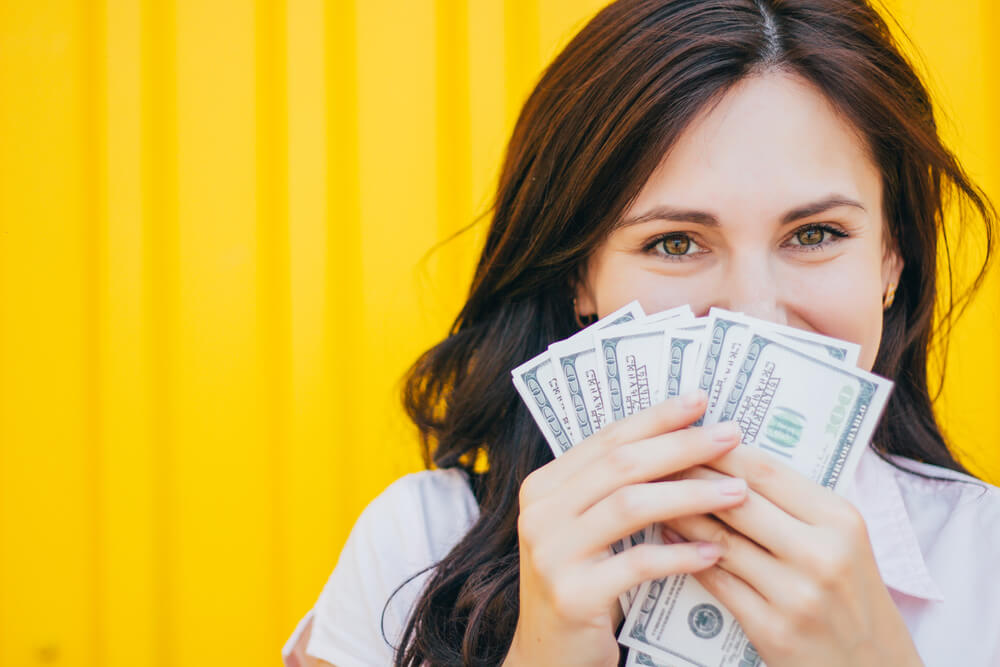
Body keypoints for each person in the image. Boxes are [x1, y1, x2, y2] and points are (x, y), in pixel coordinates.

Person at [282, 0, 1000, 665]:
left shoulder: (986, 563)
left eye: (816, 233)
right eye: (676, 243)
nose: (753, 314)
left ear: (890, 256)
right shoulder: (416, 546)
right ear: (580, 276)